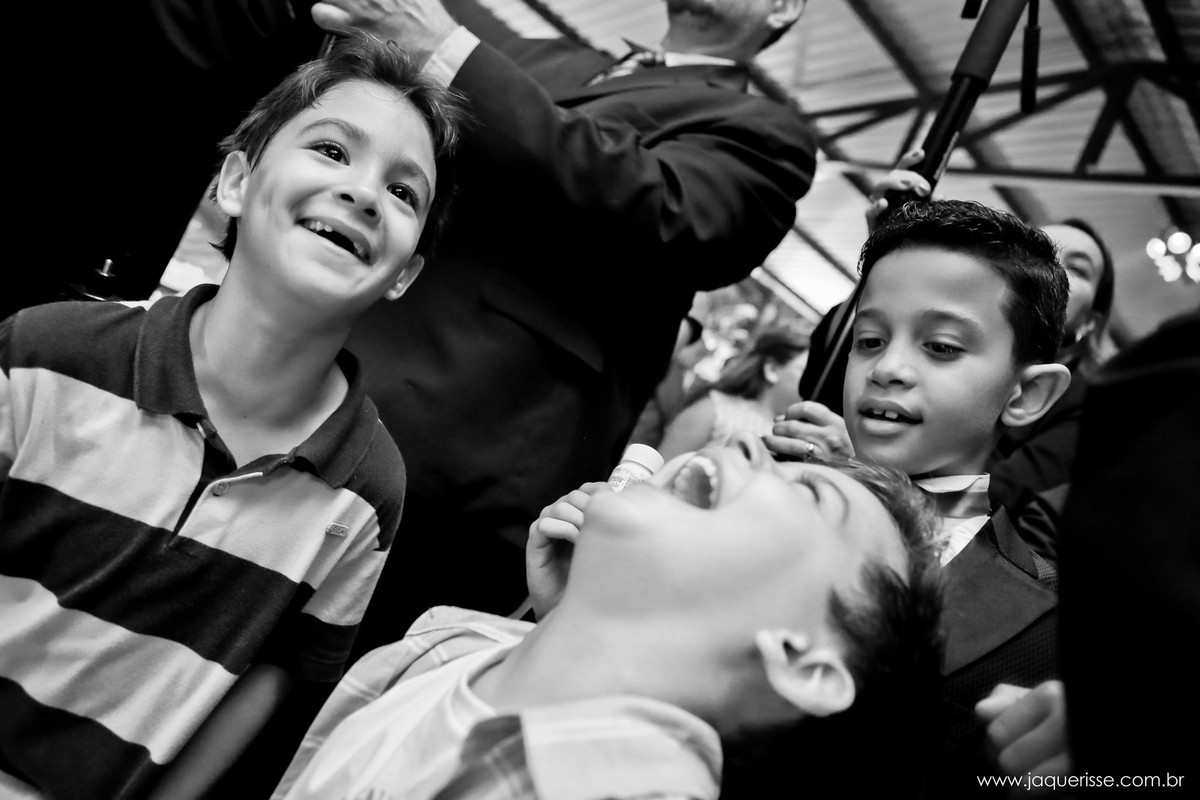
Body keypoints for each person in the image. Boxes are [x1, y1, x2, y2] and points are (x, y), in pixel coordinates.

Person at [0, 34, 462, 800]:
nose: (363, 193)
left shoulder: (368, 491)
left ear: (403, 276)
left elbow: (270, 680)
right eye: (332, 151)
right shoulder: (45, 355)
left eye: (404, 192)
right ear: (237, 181)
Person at [305, 0, 819, 655]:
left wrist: (451, 54)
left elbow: (669, 211)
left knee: (351, 677)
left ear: (784, 7)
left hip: (472, 450)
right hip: (326, 374)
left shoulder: (762, 132)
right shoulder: (546, 57)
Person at [271, 432, 945, 800]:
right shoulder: (444, 649)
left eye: (811, 494)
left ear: (804, 662)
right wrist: (569, 623)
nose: (748, 445)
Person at [766, 199, 1072, 797]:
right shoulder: (751, 512)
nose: (888, 368)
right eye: (870, 339)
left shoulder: (1051, 627)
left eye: (942, 347)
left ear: (1025, 394)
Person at [658, 325, 811, 462]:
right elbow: (665, 467)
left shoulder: (797, 434)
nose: (811, 380)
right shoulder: (713, 409)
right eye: (806, 372)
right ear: (772, 369)